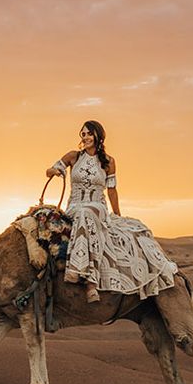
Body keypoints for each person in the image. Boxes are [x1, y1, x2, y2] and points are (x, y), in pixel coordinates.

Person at [46, 120, 178, 303]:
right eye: (83, 134)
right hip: (75, 206)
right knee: (82, 213)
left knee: (88, 213)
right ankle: (80, 274)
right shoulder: (73, 156)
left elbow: (112, 190)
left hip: (97, 206)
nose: (85, 138)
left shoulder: (108, 162)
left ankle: (90, 281)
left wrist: (117, 213)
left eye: (89, 134)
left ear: (98, 136)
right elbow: (51, 169)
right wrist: (53, 170)